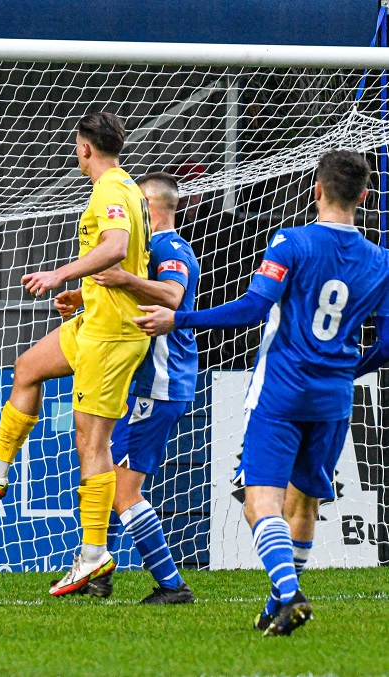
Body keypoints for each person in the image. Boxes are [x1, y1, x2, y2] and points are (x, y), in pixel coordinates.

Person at [135, 150, 389, 635]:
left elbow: (253, 309)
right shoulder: (382, 261)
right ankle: (279, 603)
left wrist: (180, 317)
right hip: (335, 398)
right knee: (307, 503)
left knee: (261, 503)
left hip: (281, 391)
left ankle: (289, 594)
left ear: (316, 190)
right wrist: (343, 370)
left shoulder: (290, 242)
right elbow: (388, 345)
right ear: (363, 195)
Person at [0, 111, 152, 598]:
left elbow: (117, 248)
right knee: (28, 368)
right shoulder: (126, 188)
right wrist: (83, 294)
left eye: (75, 145)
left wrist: (60, 276)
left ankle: (95, 556)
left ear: (84, 147)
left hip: (113, 335)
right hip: (94, 319)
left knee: (91, 444)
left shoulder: (111, 189)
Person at [82, 172, 199, 604]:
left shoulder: (170, 247)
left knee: (123, 488)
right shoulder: (148, 251)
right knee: (107, 475)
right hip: (144, 383)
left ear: (149, 210)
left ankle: (173, 585)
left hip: (159, 384)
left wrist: (125, 280)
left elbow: (171, 295)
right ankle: (98, 572)